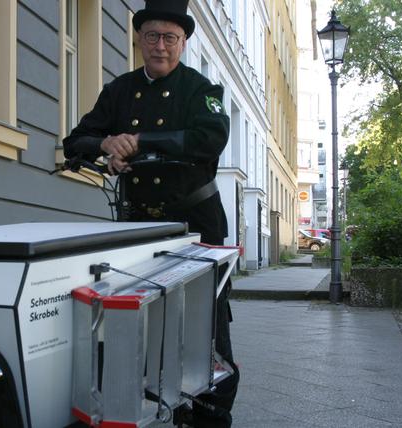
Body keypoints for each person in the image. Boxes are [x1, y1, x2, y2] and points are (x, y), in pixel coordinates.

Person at [62, 1, 238, 426]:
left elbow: (208, 139)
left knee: (205, 323)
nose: (161, 46)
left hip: (195, 223)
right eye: (152, 37)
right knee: (131, 316)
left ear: (183, 43)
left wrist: (139, 141)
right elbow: (76, 140)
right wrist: (107, 146)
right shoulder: (119, 90)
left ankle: (209, 415)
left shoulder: (203, 91)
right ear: (139, 40)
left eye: (170, 38)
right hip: (138, 226)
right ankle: (128, 403)